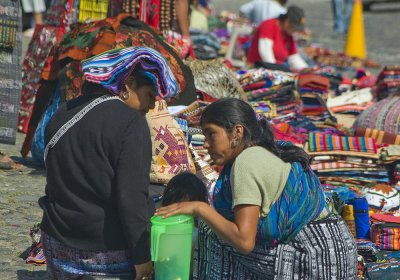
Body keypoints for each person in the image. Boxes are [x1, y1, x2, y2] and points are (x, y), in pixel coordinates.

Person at [156, 98, 358, 279]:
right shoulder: (262, 153)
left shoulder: (247, 161)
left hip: (315, 259)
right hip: (338, 252)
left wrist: (200, 208)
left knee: (211, 235)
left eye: (211, 134)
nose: (206, 144)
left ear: (237, 132)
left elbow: (244, 241)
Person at [39, 46, 179, 280]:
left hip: (57, 246)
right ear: (128, 85)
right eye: (150, 95)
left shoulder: (62, 113)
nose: (152, 106)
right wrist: (143, 259)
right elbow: (131, 199)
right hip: (104, 253)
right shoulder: (131, 124)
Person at [246, 5, 308, 70]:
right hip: (257, 69)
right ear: (287, 21)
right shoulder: (269, 25)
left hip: (275, 70)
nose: (295, 30)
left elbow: (294, 58)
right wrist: (276, 70)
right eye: (294, 27)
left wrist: (307, 70)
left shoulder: (289, 35)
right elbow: (265, 52)